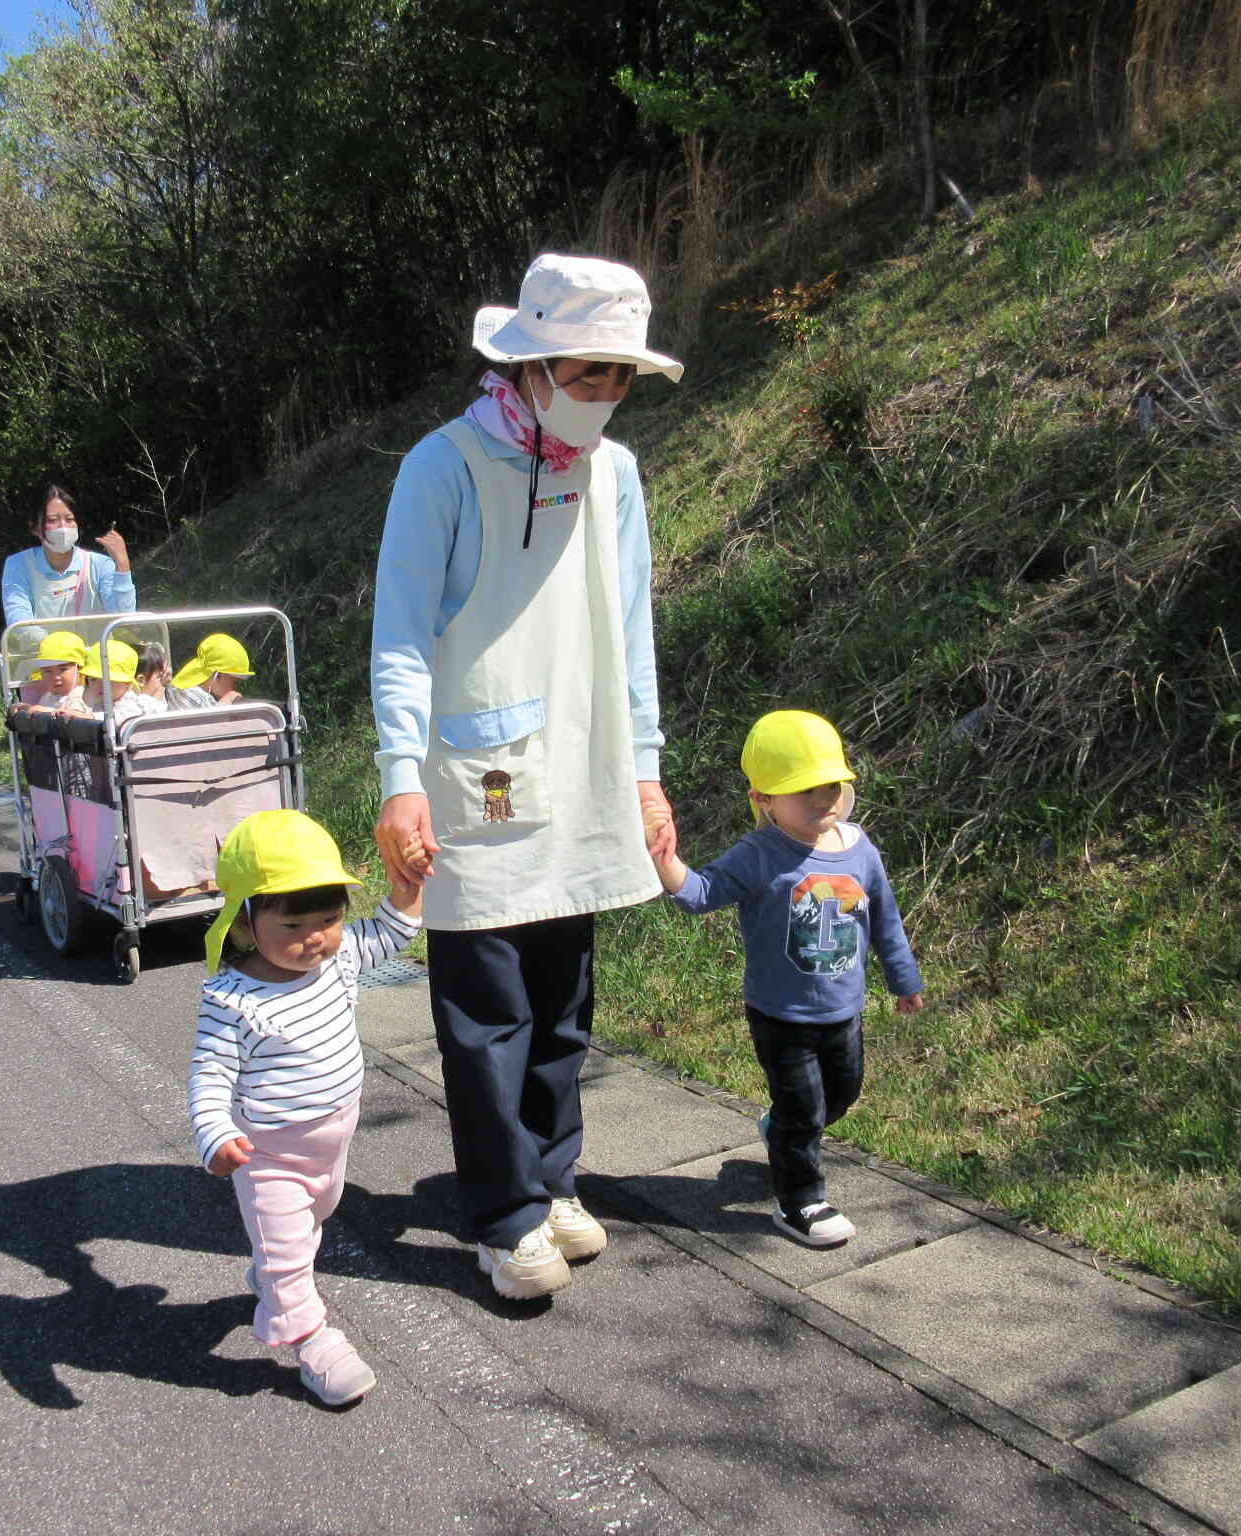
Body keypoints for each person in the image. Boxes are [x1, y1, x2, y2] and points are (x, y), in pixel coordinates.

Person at [369, 253, 681, 1300]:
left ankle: (552, 1182)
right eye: (585, 373)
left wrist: (642, 770)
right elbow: (401, 634)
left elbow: (632, 631)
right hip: (477, 774)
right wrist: (398, 778)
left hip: (586, 765)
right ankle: (500, 1219)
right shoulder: (444, 466)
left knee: (562, 1000)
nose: (600, 396)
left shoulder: (617, 475)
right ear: (532, 364)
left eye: (617, 378)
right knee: (486, 1010)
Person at [647, 711, 925, 1248]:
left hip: (844, 1009)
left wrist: (903, 978)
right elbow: (702, 894)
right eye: (804, 791)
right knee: (804, 1112)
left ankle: (780, 1130)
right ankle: (800, 1201)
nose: (822, 800)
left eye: (831, 785)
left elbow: (884, 917)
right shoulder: (759, 855)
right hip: (780, 1014)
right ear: (763, 800)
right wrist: (666, 862)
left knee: (839, 1097)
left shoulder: (859, 847)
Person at [188, 810, 424, 1407]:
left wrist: (407, 891)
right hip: (269, 1154)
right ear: (246, 919)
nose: (314, 937)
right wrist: (214, 1132)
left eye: (329, 918)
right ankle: (314, 1342)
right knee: (289, 1246)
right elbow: (210, 1074)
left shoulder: (335, 962)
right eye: (293, 924)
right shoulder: (232, 997)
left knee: (309, 1227)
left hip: (333, 1144)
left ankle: (276, 1279)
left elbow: (392, 934)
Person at [0, 485, 136, 627]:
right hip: (43, 648)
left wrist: (122, 565)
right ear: (34, 527)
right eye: (52, 520)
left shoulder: (100, 565)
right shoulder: (18, 565)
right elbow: (18, 620)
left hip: (98, 649)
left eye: (69, 519)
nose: (63, 527)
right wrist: (50, 644)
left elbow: (124, 620)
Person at [15, 630, 94, 718]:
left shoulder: (81, 696)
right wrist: (29, 708)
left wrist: (45, 711)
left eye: (63, 669)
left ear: (78, 669)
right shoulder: (47, 696)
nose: (55, 677)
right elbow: (41, 710)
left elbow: (78, 719)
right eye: (48, 671)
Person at [169, 633, 251, 710]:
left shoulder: (189, 690)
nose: (235, 688)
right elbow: (210, 723)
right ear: (218, 675)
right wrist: (228, 699)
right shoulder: (191, 695)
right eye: (234, 682)